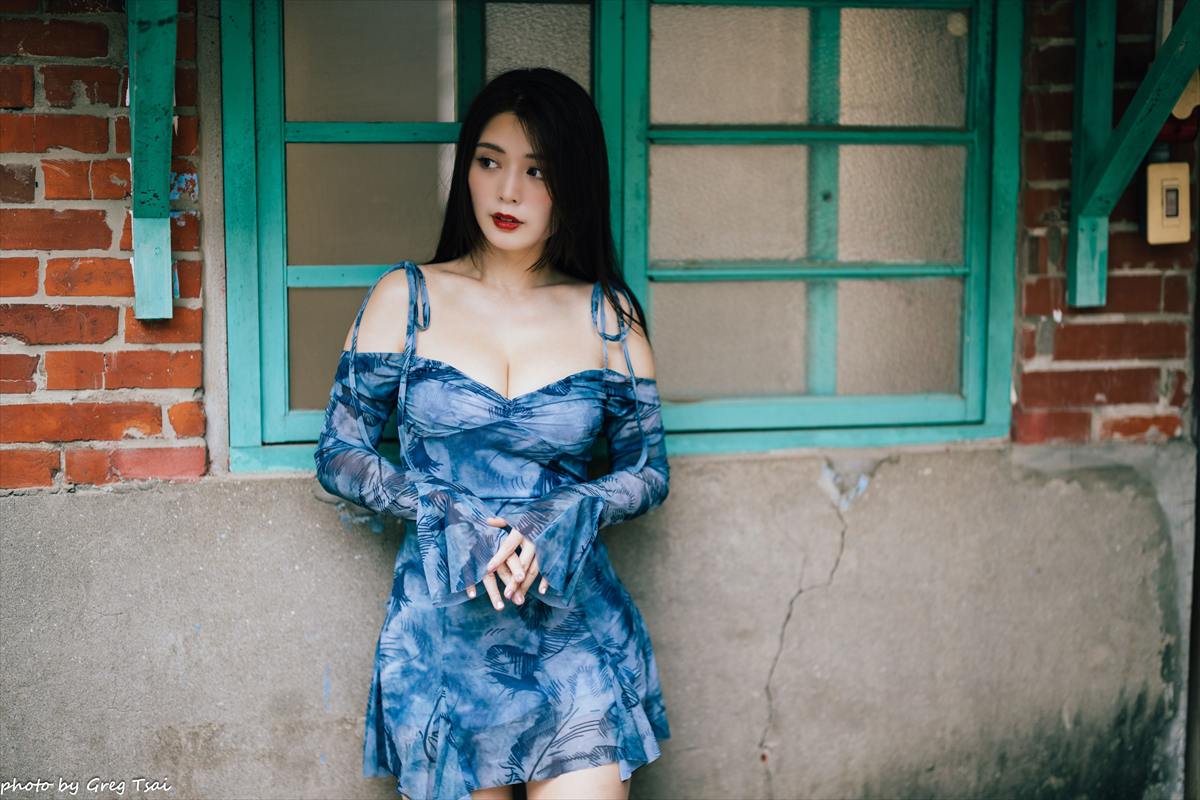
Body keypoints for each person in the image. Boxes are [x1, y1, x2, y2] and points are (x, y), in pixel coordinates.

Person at [313, 67, 671, 800]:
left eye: (537, 170)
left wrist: (569, 510)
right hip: (442, 637)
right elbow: (339, 452)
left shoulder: (608, 316)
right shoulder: (406, 297)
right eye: (489, 161)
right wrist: (442, 509)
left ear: (574, 181)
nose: (508, 191)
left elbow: (648, 471)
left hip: (572, 630)